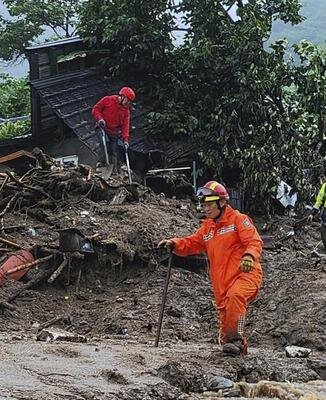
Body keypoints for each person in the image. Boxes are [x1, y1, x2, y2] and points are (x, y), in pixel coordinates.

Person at [157, 181, 262, 356]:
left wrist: (249, 256)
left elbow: (254, 241)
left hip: (245, 274)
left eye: (208, 204)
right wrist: (174, 243)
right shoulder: (208, 227)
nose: (204, 208)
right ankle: (236, 353)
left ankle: (236, 341)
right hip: (221, 282)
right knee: (225, 319)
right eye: (202, 205)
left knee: (235, 297)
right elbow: (192, 243)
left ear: (221, 202)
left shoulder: (238, 220)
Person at [92, 87, 135, 174]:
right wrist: (100, 119)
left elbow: (125, 126)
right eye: (128, 100)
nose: (128, 103)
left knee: (114, 152)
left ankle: (114, 171)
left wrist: (125, 140)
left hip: (113, 132)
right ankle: (101, 165)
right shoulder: (108, 100)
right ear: (122, 96)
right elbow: (96, 109)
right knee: (106, 144)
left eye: (130, 102)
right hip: (102, 127)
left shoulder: (126, 111)